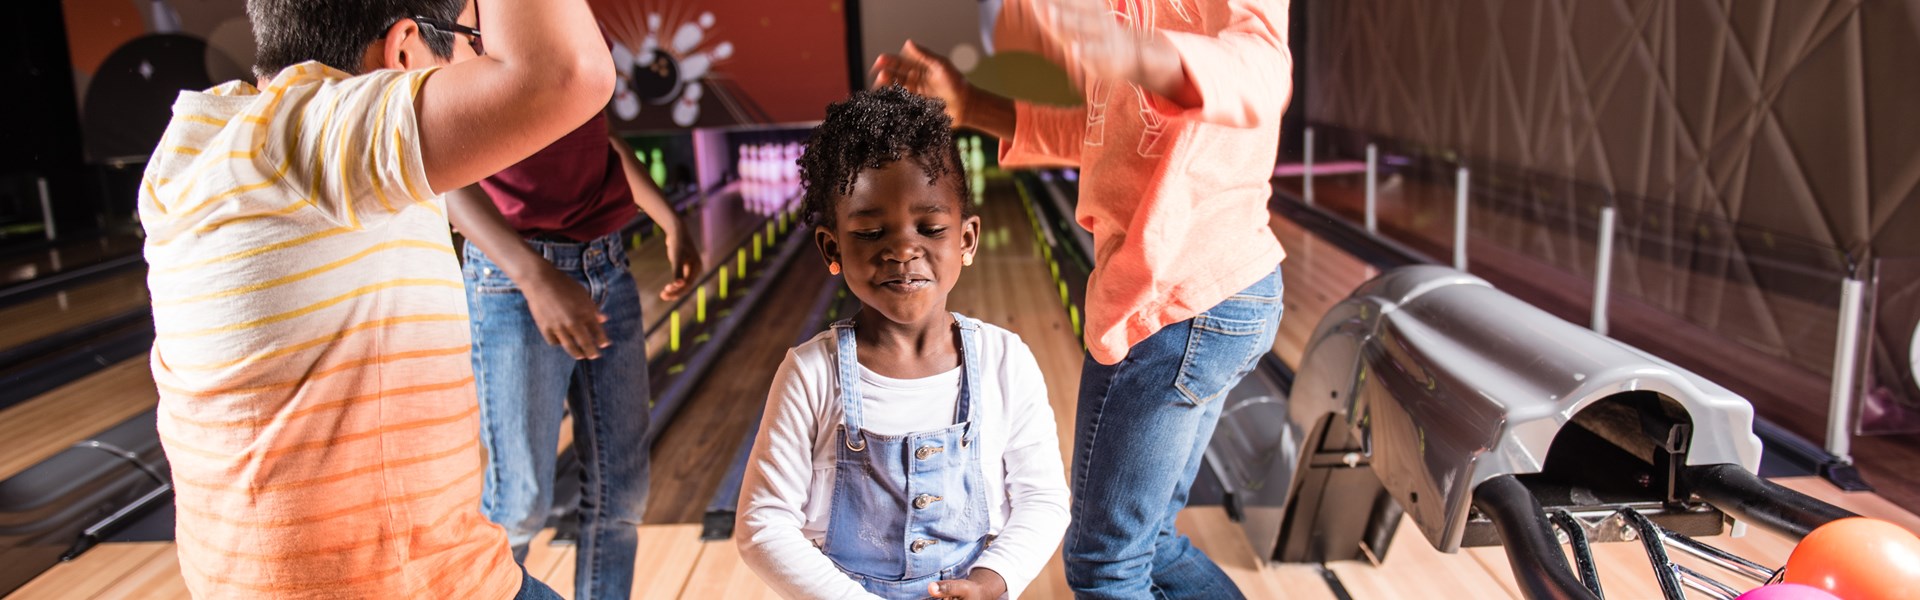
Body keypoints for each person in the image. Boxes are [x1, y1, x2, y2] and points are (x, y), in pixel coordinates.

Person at [137, 0, 613, 596]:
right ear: (404, 53)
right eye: (475, 42)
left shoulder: (207, 145)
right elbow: (565, 72)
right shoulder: (312, 132)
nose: (482, 61)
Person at [874, 0, 1292, 596]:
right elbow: (1105, 134)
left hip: (1170, 300)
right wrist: (971, 105)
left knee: (1106, 567)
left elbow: (1260, 73)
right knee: (1152, 545)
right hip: (1218, 288)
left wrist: (1123, 48)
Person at [735, 85, 1070, 600]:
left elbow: (1044, 500)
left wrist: (989, 582)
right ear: (833, 247)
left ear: (966, 240)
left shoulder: (1005, 361)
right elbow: (763, 526)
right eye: (870, 234)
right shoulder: (810, 374)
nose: (902, 250)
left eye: (930, 227)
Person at [446, 108, 702, 600]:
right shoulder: (461, 39)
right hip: (513, 280)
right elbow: (446, 179)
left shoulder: (576, 33)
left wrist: (671, 220)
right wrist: (532, 276)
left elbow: (602, 139)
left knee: (622, 495)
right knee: (519, 502)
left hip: (607, 264)